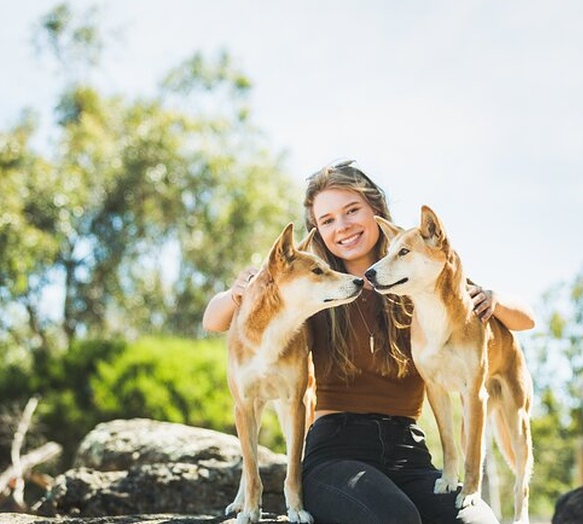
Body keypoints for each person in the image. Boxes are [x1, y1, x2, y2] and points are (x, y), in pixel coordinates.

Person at [202, 160, 536, 524]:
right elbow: (213, 319)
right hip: (336, 451)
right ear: (318, 230)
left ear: (375, 210)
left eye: (351, 211)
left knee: (478, 522)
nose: (342, 226)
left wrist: (495, 298)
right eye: (327, 220)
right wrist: (240, 293)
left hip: (408, 450)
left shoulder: (419, 271)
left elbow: (526, 319)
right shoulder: (316, 291)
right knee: (396, 518)